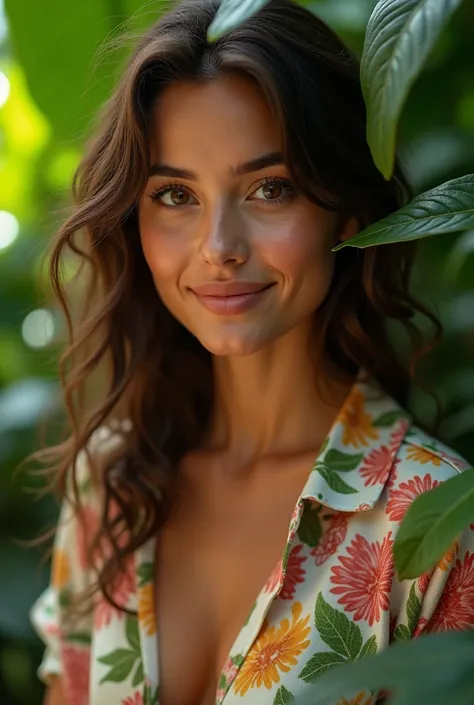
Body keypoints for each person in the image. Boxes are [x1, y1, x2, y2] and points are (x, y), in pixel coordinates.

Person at [30, 0, 474, 704]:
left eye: (271, 188)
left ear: (347, 209)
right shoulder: (110, 482)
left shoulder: (439, 518)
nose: (219, 247)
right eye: (175, 194)